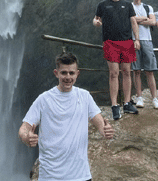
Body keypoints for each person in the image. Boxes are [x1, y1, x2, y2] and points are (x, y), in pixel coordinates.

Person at [18, 51, 114, 181]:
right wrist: (26, 138)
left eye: (71, 73)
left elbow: (100, 123)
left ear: (77, 74)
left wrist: (105, 130)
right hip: (50, 176)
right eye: (63, 72)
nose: (68, 77)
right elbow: (24, 129)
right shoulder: (44, 99)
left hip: (80, 176)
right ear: (56, 73)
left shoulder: (85, 96)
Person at [92, 0, 140, 120]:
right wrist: (96, 22)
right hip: (110, 42)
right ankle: (114, 105)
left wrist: (136, 39)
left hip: (126, 41)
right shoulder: (102, 5)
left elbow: (133, 22)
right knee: (113, 73)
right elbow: (95, 19)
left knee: (127, 72)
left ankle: (126, 103)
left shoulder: (127, 5)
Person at [129, 0, 158, 109]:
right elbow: (128, 20)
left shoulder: (148, 7)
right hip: (132, 41)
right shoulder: (129, 7)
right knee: (136, 70)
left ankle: (155, 99)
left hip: (147, 40)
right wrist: (144, 19)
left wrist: (136, 20)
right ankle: (139, 98)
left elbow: (153, 22)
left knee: (150, 71)